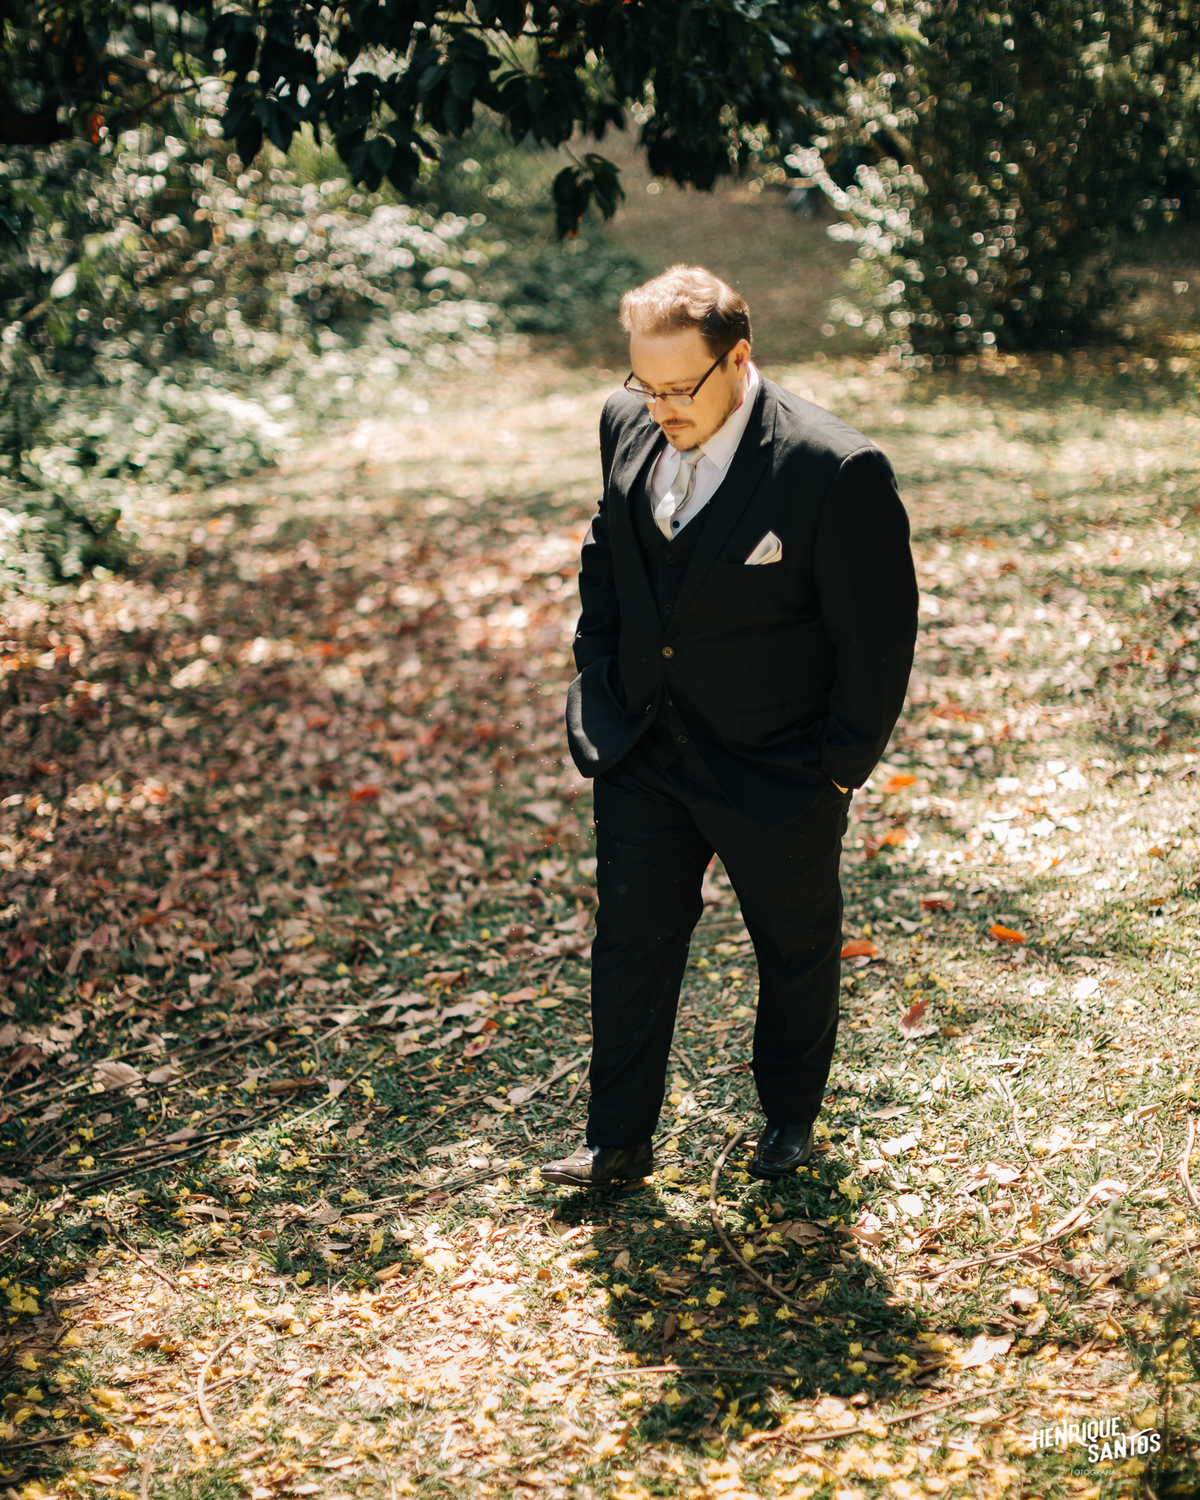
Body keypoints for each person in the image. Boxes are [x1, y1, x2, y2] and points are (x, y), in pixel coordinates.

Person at [541, 266, 918, 1188]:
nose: (660, 408)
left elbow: (877, 638)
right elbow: (608, 548)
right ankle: (616, 1142)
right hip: (643, 746)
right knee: (629, 942)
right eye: (646, 385)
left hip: (777, 767)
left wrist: (837, 769)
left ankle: (788, 1117)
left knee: (792, 949)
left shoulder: (834, 469)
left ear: (738, 358)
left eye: (681, 387)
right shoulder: (625, 421)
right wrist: (600, 666)